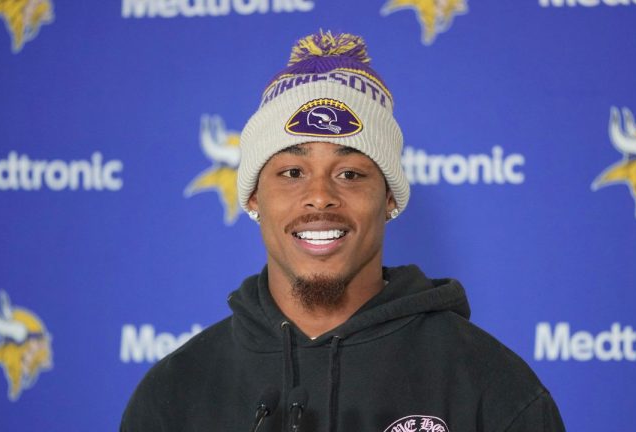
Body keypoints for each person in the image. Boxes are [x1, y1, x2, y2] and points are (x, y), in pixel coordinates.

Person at [121, 30, 565, 432]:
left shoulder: (490, 387)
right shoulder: (173, 395)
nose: (320, 196)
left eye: (350, 174)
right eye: (292, 172)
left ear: (389, 198)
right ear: (253, 198)